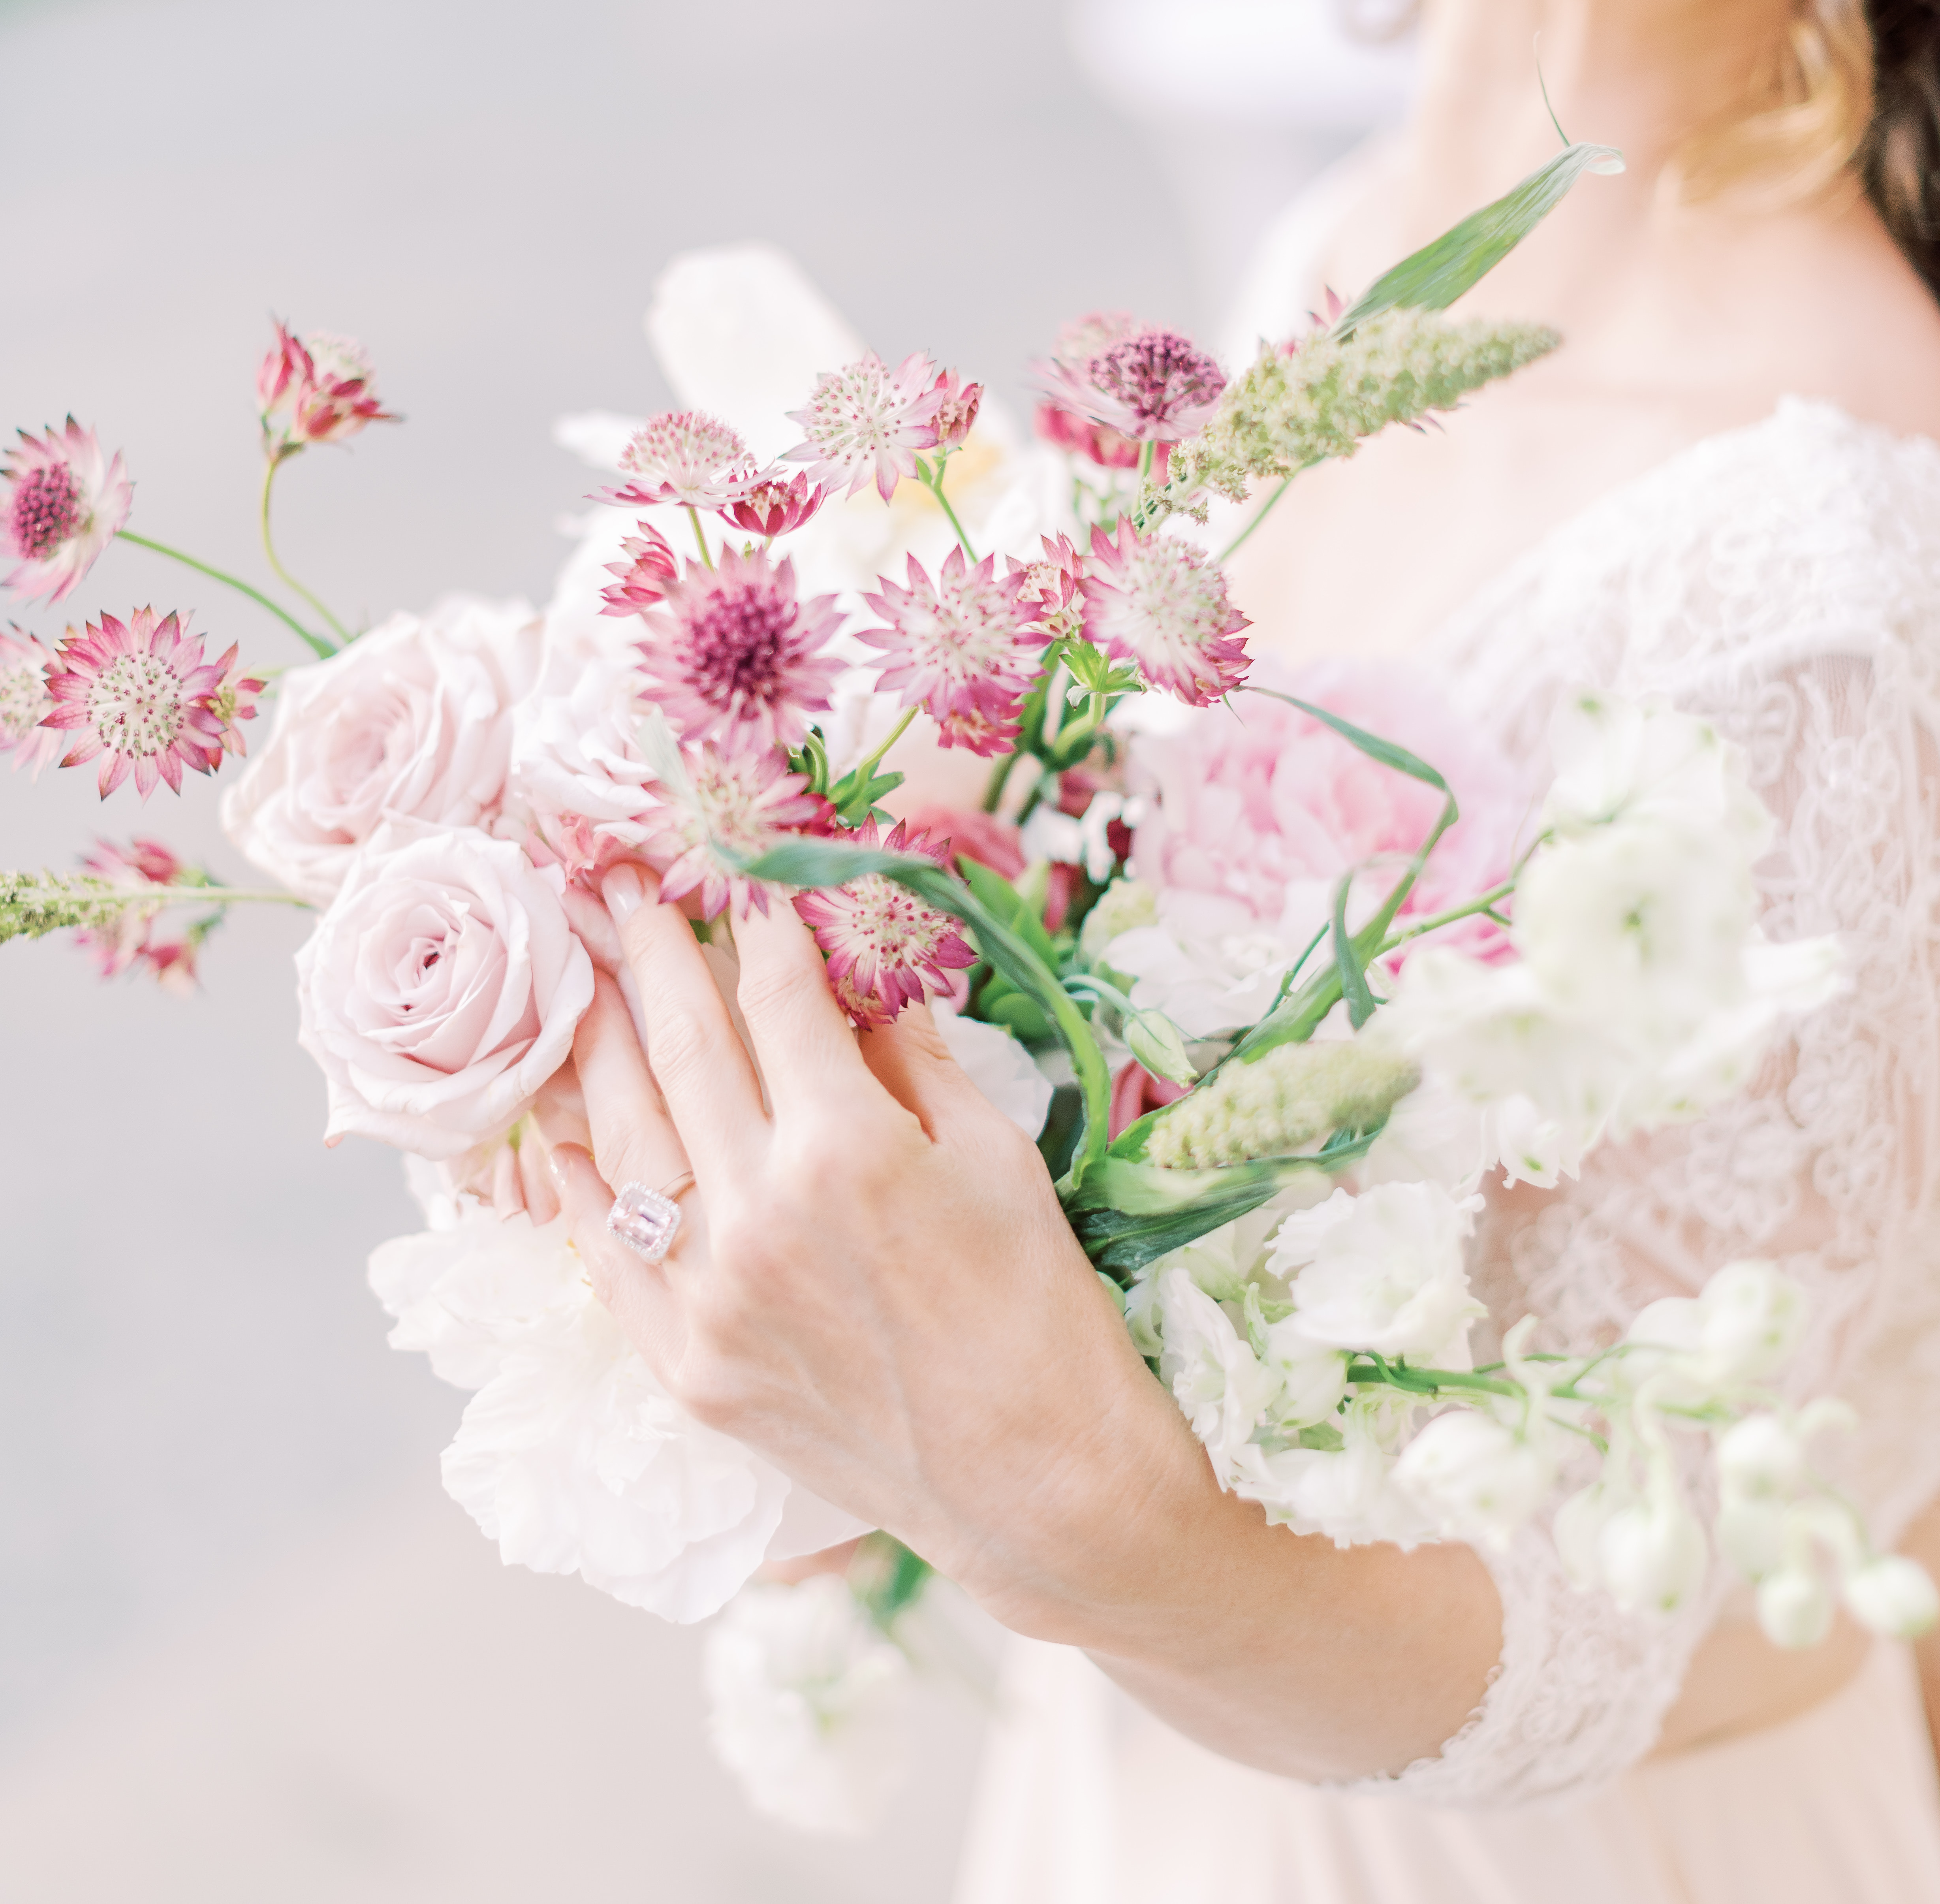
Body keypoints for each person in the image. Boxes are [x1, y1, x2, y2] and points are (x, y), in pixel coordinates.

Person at [546, 2, 1940, 1896]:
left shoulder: (1823, 567)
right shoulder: (1357, 230)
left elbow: (1646, 1599)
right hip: (1142, 1783)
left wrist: (1043, 1491)